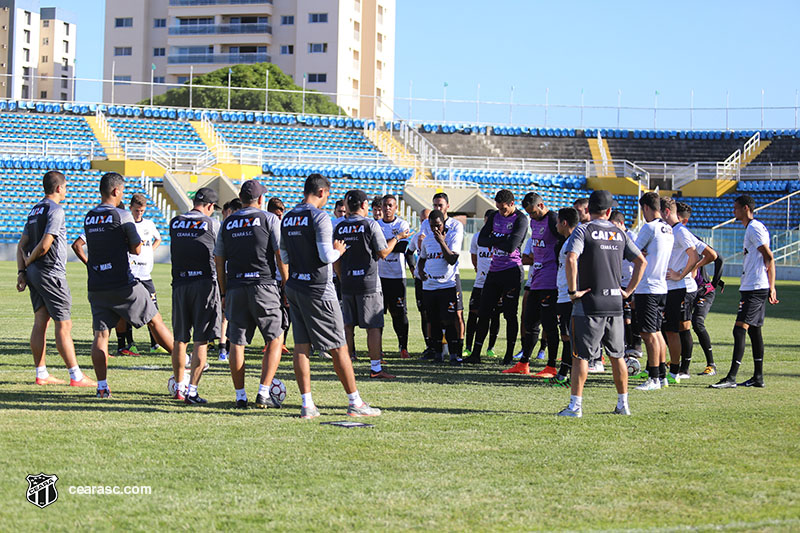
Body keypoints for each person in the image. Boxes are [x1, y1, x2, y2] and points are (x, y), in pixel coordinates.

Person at [280, 174, 381, 418]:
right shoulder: (319, 216)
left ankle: (307, 405)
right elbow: (326, 256)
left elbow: (283, 256)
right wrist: (338, 251)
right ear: (323, 192)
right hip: (318, 288)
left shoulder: (288, 217)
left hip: (295, 285)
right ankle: (355, 402)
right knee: (338, 347)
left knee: (301, 347)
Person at [83, 172, 174, 398]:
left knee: (101, 336)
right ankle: (187, 362)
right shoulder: (122, 215)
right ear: (116, 191)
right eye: (121, 191)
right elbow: (135, 248)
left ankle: (102, 387)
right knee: (155, 320)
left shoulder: (89, 216)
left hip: (96, 284)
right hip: (122, 283)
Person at [558, 190, 646, 417]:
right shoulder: (620, 232)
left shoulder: (583, 229)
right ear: (609, 211)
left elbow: (571, 258)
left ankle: (575, 407)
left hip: (588, 303)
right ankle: (622, 404)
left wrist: (572, 291)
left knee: (581, 357)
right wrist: (628, 291)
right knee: (617, 356)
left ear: (589, 210)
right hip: (615, 303)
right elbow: (641, 261)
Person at [16, 171, 95, 388]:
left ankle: (41, 373)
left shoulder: (35, 210)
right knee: (64, 324)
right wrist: (30, 261)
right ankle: (76, 375)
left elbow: (21, 244)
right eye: (66, 187)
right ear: (59, 188)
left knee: (41, 321)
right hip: (51, 273)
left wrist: (22, 272)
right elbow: (44, 245)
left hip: (34, 274)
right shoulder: (55, 209)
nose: (66, 191)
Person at [215, 180, 288, 409]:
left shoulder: (227, 223)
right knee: (275, 338)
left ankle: (240, 396)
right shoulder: (269, 219)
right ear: (259, 199)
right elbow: (279, 254)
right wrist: (286, 284)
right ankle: (264, 392)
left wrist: (224, 291)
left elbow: (219, 260)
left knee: (237, 342)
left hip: (236, 286)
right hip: (264, 285)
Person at [335, 189, 409, 379]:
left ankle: (349, 363)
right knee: (373, 326)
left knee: (348, 325)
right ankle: (376, 368)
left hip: (348, 282)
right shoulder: (370, 225)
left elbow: (335, 258)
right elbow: (383, 253)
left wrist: (342, 277)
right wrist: (398, 238)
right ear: (364, 205)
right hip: (368, 283)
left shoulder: (340, 226)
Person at [711, 195, 778, 389]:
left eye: (736, 208)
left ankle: (731, 377)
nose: (733, 212)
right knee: (755, 331)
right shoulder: (755, 227)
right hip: (754, 286)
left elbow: (769, 257)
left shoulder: (754, 228)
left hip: (755, 287)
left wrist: (771, 286)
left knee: (739, 329)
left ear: (746, 208)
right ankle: (758, 377)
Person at [169, 187, 221, 404]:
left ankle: (179, 386)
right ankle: (192, 390)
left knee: (180, 339)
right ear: (210, 206)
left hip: (180, 283)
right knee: (201, 339)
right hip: (204, 284)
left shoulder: (175, 222)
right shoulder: (212, 223)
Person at [465, 189, 527, 365]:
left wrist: (494, 239)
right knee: (484, 312)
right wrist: (500, 240)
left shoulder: (521, 219)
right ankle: (476, 353)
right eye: (498, 208)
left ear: (512, 204)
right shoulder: (494, 217)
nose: (501, 212)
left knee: (509, 314)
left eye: (504, 209)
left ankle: (508, 354)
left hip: (512, 271)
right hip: (494, 270)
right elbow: (481, 240)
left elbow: (512, 245)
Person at [504, 192, 561, 376]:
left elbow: (563, 242)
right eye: (528, 214)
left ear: (542, 206)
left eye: (533, 213)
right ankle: (524, 363)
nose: (531, 217)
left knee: (549, 325)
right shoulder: (535, 222)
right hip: (536, 278)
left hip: (550, 280)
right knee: (529, 321)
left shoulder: (553, 219)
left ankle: (551, 366)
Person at [677, 202, 725, 376]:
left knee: (697, 323)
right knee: (677, 325)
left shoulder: (691, 238)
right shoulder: (671, 238)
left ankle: (711, 364)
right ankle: (680, 362)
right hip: (686, 290)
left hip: (703, 290)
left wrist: (713, 283)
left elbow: (719, 258)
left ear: (684, 221)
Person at [633, 192, 674, 391]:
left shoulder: (649, 228)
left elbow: (631, 253)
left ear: (646, 208)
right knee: (657, 333)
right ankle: (663, 376)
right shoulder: (668, 229)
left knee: (648, 334)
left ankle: (654, 378)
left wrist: (637, 252)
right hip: (661, 287)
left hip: (647, 287)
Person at [661, 196, 701, 384]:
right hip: (666, 287)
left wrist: (681, 274)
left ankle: (676, 370)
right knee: (664, 330)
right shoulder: (670, 231)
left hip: (677, 288)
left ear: (666, 212)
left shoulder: (681, 231)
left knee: (673, 330)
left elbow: (694, 255)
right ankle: (663, 368)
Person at [418, 209, 464, 364]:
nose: (435, 229)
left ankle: (453, 354)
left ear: (443, 223)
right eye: (432, 226)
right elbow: (422, 258)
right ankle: (438, 354)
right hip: (430, 287)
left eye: (438, 225)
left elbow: (452, 259)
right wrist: (420, 271)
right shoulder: (427, 240)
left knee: (450, 321)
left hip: (447, 286)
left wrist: (442, 242)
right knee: (434, 321)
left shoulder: (451, 236)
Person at [377, 194, 412, 358]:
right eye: (385, 205)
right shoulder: (376, 225)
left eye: (390, 205)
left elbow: (402, 247)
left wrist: (384, 245)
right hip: (379, 277)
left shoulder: (402, 224)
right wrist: (394, 240)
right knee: (378, 315)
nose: (387, 208)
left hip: (398, 277)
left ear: (396, 207)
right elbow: (376, 250)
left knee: (399, 313)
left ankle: (403, 347)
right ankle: (378, 348)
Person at [128, 193, 163, 354]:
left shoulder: (149, 224)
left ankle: (154, 344)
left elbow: (158, 239)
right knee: (128, 309)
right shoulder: (127, 223)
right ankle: (129, 343)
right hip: (131, 273)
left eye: (142, 211)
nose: (139, 214)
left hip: (146, 274)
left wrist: (149, 251)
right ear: (131, 208)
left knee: (152, 308)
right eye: (136, 211)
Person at [464, 209, 502, 358]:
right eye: (488, 220)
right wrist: (477, 268)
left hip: (496, 283)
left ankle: (490, 348)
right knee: (473, 314)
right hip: (479, 283)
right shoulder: (477, 237)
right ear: (485, 220)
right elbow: (473, 256)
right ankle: (468, 347)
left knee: (495, 316)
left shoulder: (501, 238)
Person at [549, 207, 580, 386]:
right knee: (567, 336)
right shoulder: (570, 241)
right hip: (564, 294)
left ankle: (564, 375)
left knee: (569, 336)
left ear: (564, 223)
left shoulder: (572, 243)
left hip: (568, 296)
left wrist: (572, 290)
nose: (556, 225)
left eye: (557, 221)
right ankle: (564, 373)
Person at [610, 211, 642, 360]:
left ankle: (635, 345)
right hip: (617, 282)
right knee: (620, 316)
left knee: (631, 316)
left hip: (631, 282)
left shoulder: (633, 238)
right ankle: (623, 346)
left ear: (621, 223)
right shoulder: (612, 237)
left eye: (614, 225)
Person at [215, 198, 243, 362]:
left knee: (231, 315)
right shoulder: (226, 227)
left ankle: (227, 348)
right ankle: (223, 348)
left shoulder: (227, 227)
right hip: (231, 275)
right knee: (227, 315)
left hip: (232, 276)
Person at [267, 197, 291, 356]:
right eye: (276, 215)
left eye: (281, 215)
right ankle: (270, 342)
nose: (279, 218)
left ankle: (283, 343)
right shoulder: (265, 227)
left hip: (283, 276)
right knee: (273, 313)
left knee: (287, 312)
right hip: (269, 278)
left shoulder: (284, 229)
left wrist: (286, 278)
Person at [408, 208, 432, 356]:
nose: (424, 222)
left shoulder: (439, 235)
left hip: (436, 280)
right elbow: (409, 252)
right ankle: (428, 344)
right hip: (420, 280)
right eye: (422, 219)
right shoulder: (417, 236)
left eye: (427, 219)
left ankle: (442, 345)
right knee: (424, 313)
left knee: (437, 314)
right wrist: (413, 269)